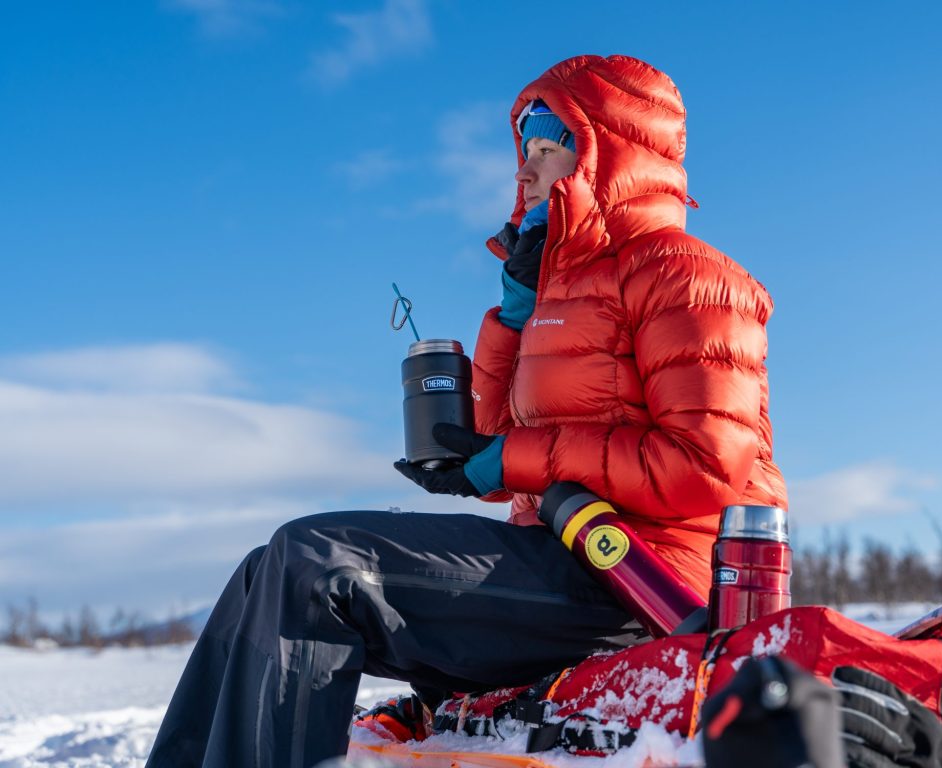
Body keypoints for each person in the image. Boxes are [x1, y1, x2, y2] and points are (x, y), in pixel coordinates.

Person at [146, 54, 785, 768]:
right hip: (562, 551)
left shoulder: (689, 277)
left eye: (549, 150)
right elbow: (503, 443)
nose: (526, 172)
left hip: (643, 581)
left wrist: (510, 460)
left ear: (606, 156)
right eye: (524, 153)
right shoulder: (556, 296)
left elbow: (704, 467)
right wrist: (512, 318)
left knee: (316, 564)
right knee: (263, 570)